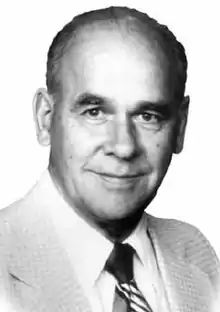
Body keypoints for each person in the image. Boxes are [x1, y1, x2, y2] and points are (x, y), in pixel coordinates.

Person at [0, 5, 219, 312]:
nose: (124, 147)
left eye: (148, 116)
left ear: (180, 127)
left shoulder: (199, 255)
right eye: (95, 112)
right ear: (45, 118)